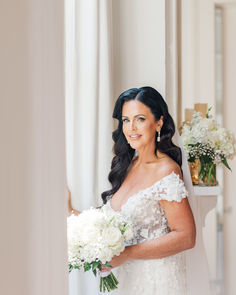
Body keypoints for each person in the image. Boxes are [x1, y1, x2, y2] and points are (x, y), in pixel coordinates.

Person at [99, 86, 197, 295]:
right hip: (127, 279)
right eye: (126, 120)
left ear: (159, 122)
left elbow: (186, 236)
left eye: (140, 119)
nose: (131, 128)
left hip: (156, 282)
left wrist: (127, 254)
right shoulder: (127, 166)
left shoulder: (167, 171)